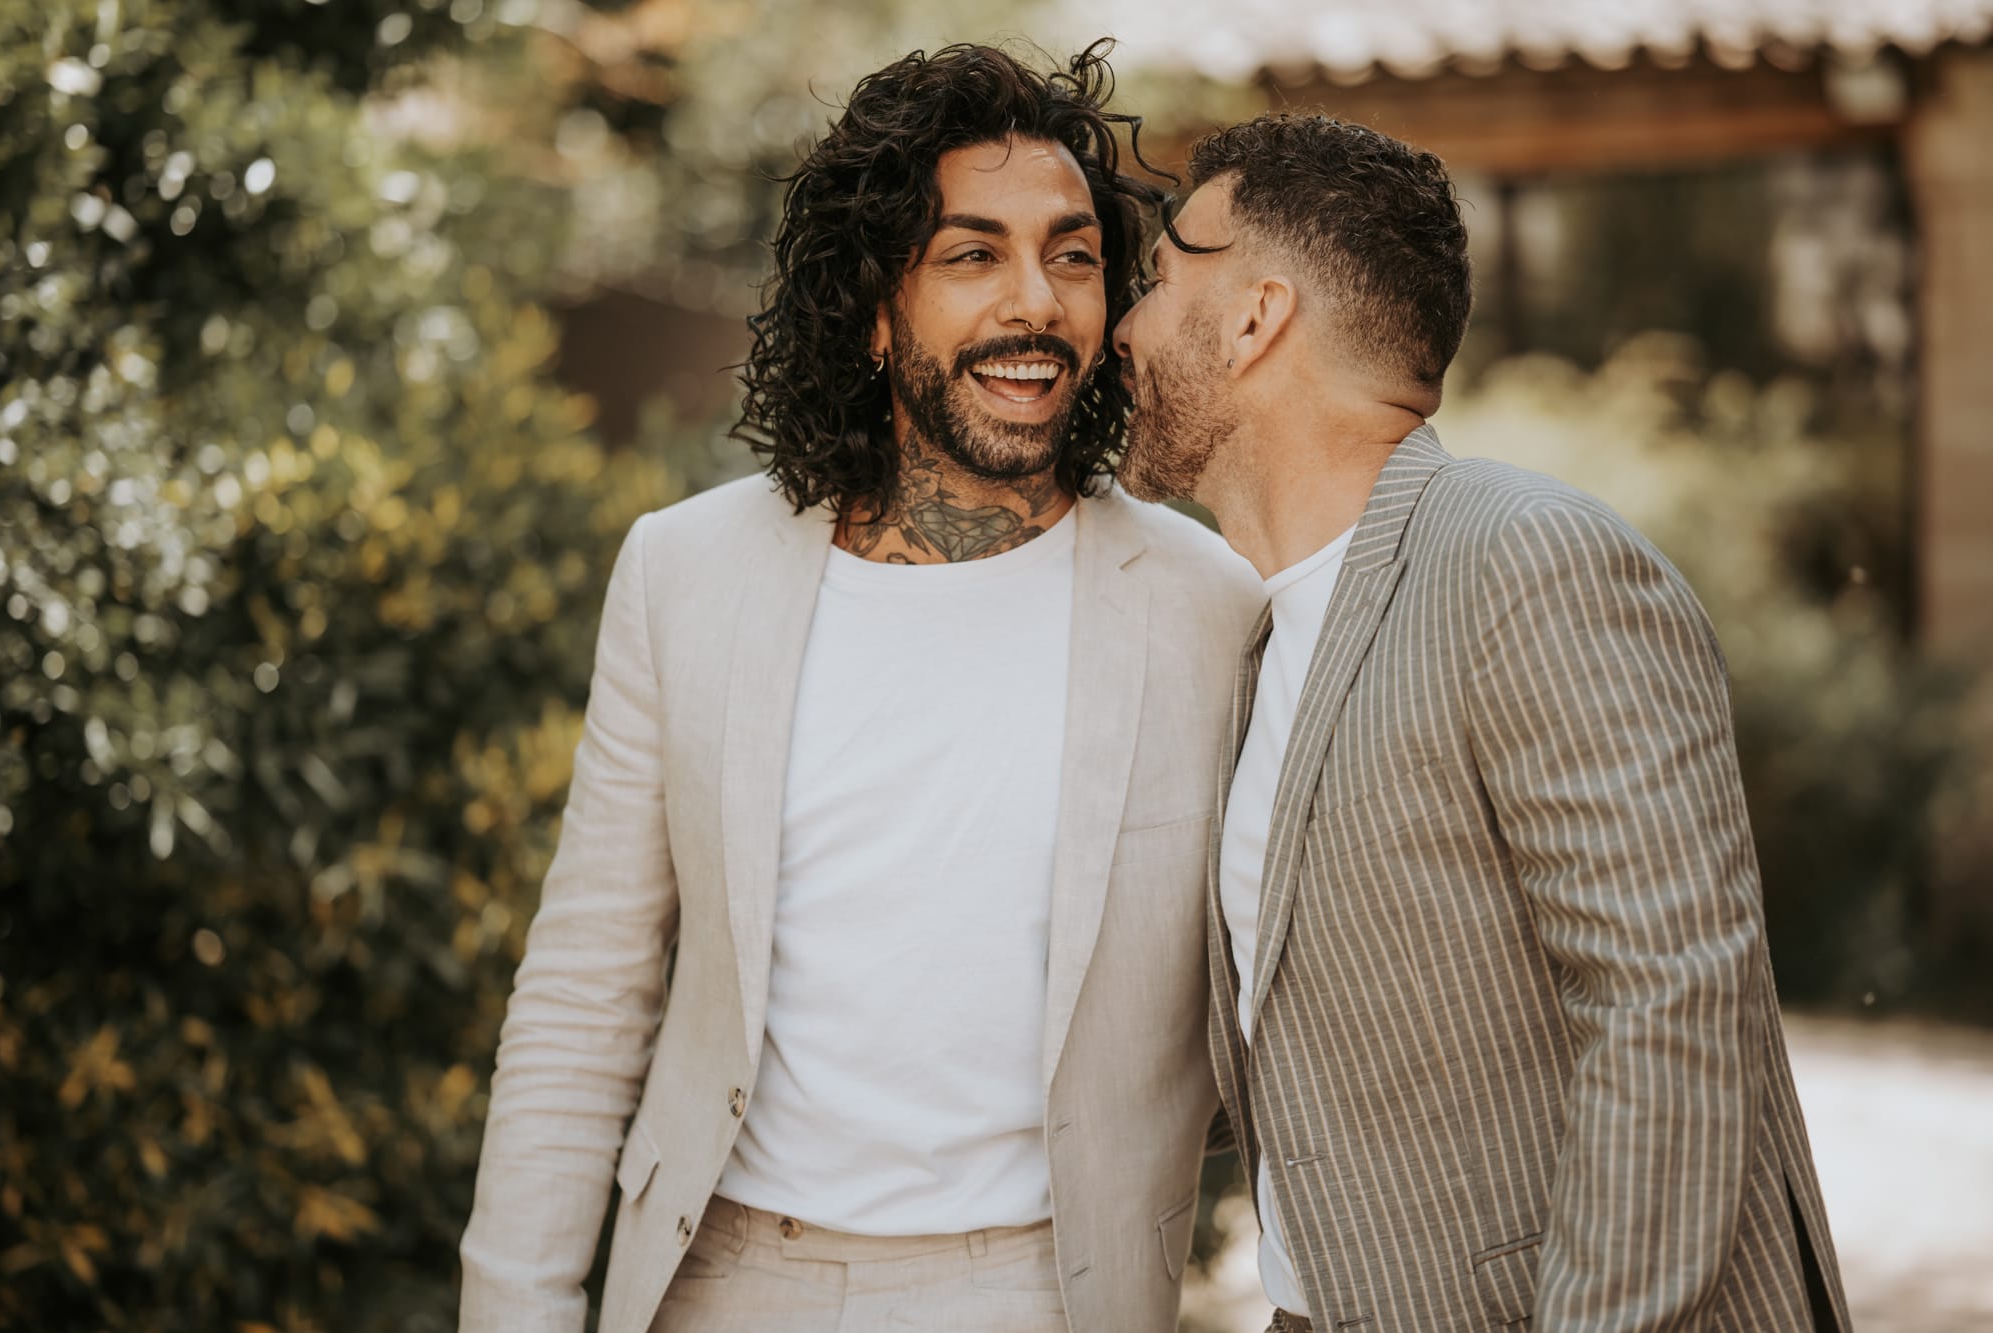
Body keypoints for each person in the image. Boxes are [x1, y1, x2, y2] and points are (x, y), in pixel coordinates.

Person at [458, 42, 1259, 1333]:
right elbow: (584, 994)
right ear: (874, 309)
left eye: (1071, 255)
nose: (1037, 301)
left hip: (1049, 1287)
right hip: (724, 1278)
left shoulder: (1207, 605)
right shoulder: (687, 572)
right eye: (972, 254)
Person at [1111, 112, 1852, 1332]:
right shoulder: (1258, 638)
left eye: (1156, 276)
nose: (1124, 328)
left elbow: (1667, 1009)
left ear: (1253, 318)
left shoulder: (1525, 560)